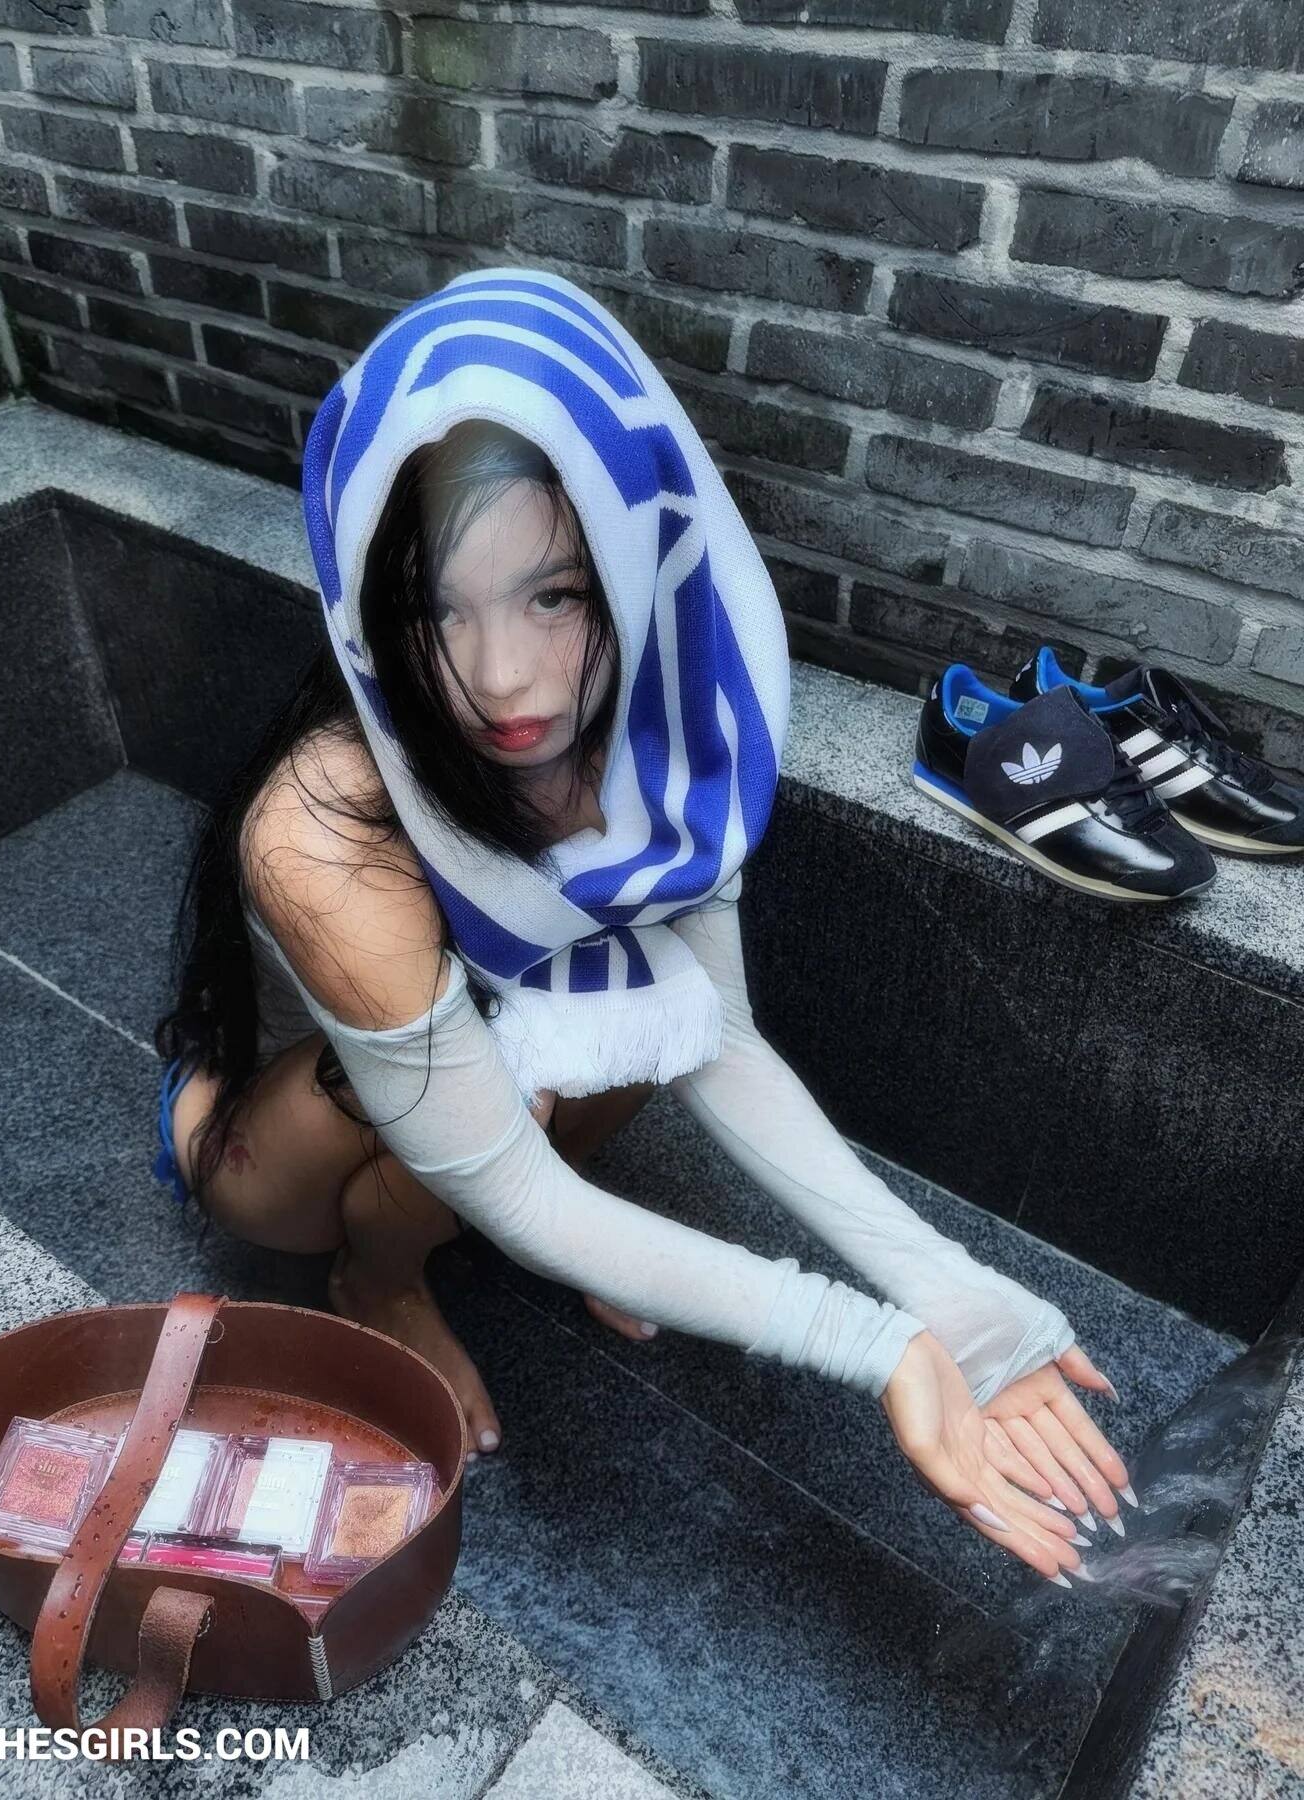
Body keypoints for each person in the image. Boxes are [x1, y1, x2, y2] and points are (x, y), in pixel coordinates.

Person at [154, 266, 1133, 1587]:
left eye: (554, 595)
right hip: (277, 1144)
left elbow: (714, 1038)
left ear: (632, 565)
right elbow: (508, 1183)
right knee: (518, 1106)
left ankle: (563, 1225)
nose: (501, 679)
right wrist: (878, 1345)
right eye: (439, 610)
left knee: (632, 1019)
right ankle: (381, 1282)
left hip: (491, 1081)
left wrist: (958, 1301)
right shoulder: (321, 825)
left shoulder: (666, 720)